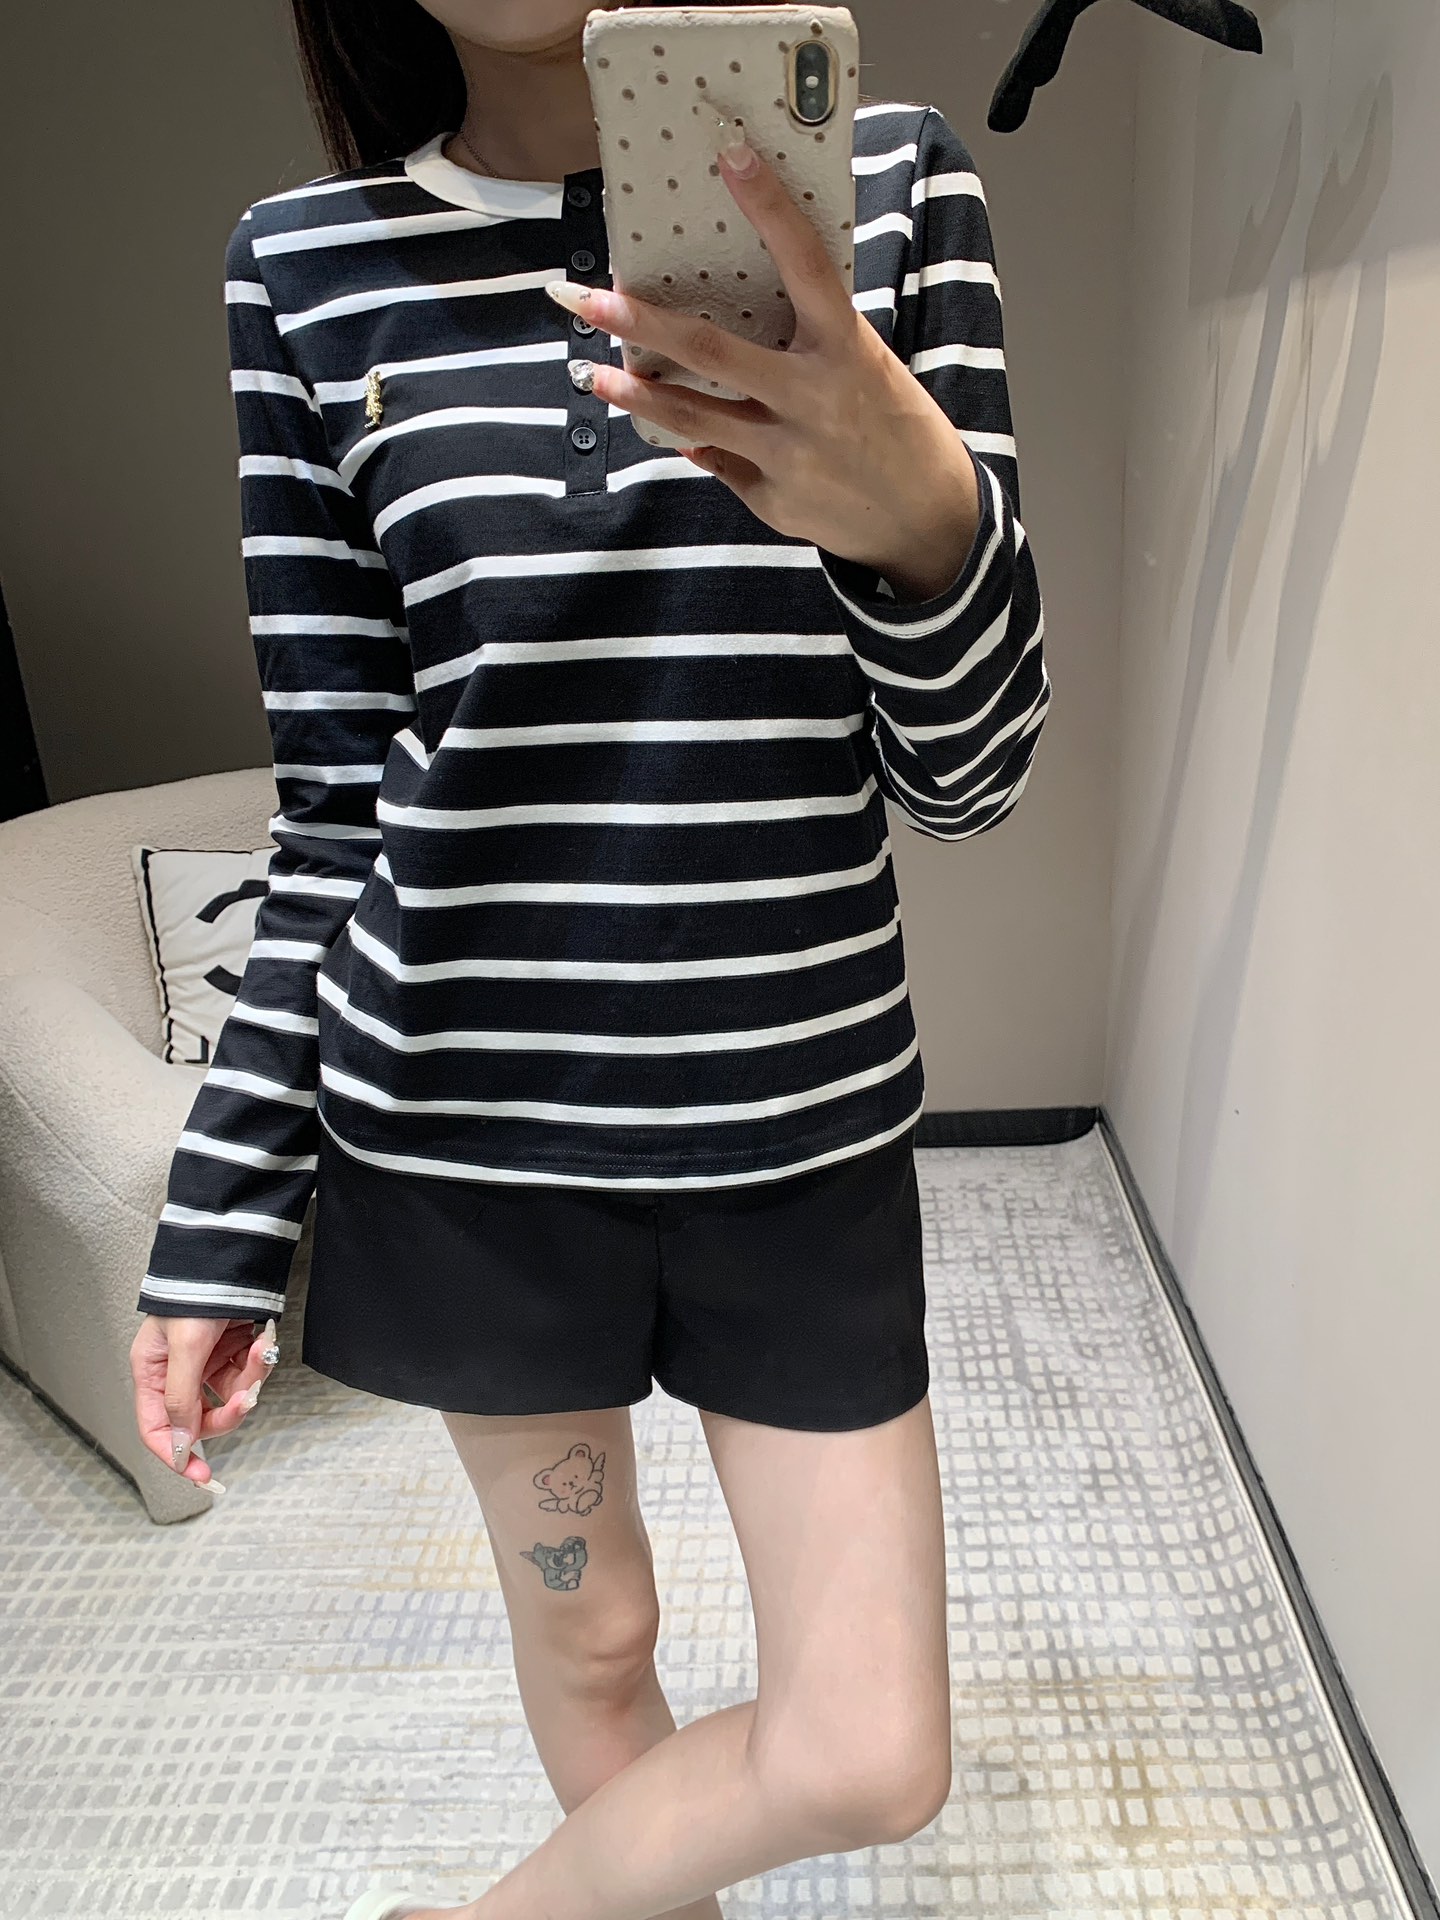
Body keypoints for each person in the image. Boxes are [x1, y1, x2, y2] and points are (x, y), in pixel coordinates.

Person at [128, 3, 1050, 1915]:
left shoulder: (891, 191)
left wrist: (924, 530)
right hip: (460, 1141)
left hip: (797, 1127)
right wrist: (221, 1218)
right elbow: (336, 811)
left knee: (866, 1752)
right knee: (594, 1638)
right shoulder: (304, 266)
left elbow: (971, 783)